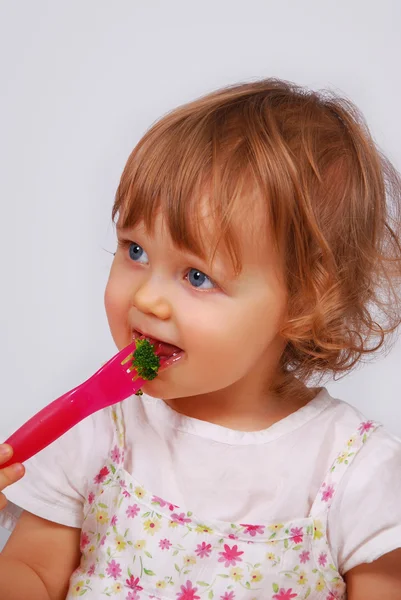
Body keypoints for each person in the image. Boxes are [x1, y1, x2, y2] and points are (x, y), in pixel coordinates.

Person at [1, 78, 401, 600]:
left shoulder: (355, 470)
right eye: (135, 250)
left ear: (304, 301)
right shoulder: (96, 433)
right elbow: (29, 570)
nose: (146, 298)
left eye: (196, 276)